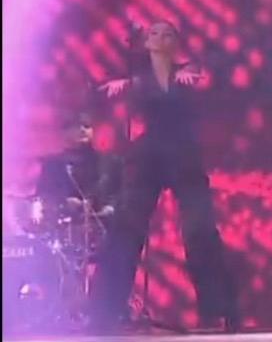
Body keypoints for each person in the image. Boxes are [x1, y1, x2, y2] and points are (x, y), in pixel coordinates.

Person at [88, 21, 239, 333]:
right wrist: (123, 86)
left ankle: (218, 310)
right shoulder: (136, 77)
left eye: (168, 33)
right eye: (154, 33)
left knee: (200, 231)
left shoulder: (189, 73)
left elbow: (214, 84)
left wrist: (193, 78)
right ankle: (104, 311)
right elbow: (104, 91)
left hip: (183, 155)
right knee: (126, 228)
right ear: (145, 42)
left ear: (176, 42)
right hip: (148, 155)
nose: (160, 37)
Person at [34, 109, 120, 231]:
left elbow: (119, 192)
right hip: (64, 228)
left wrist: (110, 207)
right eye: (77, 126)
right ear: (64, 132)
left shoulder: (108, 162)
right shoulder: (53, 164)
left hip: (102, 227)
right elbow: (43, 195)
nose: (83, 130)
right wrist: (63, 202)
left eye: (87, 126)